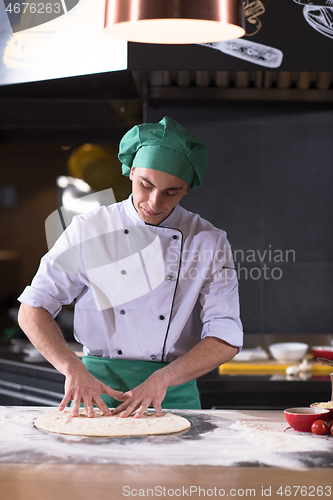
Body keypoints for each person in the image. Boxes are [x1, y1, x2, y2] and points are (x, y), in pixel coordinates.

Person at [17, 116, 243, 419]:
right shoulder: (90, 229)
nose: (153, 202)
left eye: (171, 192)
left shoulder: (208, 241)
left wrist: (163, 379)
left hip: (172, 390)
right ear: (131, 171)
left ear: (187, 188)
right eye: (145, 185)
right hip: (94, 390)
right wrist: (71, 367)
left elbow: (226, 335)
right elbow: (33, 307)